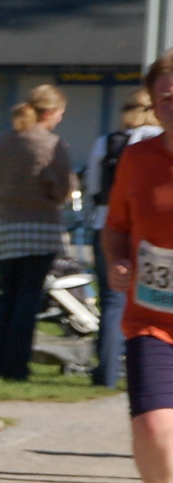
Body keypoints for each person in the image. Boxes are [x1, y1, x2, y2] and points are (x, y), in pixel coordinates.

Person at [101, 51, 173, 483]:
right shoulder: (137, 158)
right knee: (152, 426)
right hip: (152, 315)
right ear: (153, 99)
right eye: (167, 95)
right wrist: (118, 260)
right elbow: (116, 225)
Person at [0, 84, 77, 380]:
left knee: (7, 296)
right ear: (49, 112)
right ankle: (15, 364)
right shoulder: (49, 144)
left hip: (7, 226)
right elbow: (61, 188)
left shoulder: (4, 141)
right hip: (39, 225)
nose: (60, 118)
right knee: (28, 299)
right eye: (60, 113)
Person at [86, 89, 162, 388]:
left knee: (111, 301)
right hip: (146, 228)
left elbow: (93, 187)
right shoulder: (156, 141)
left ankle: (106, 372)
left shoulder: (105, 142)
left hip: (106, 224)